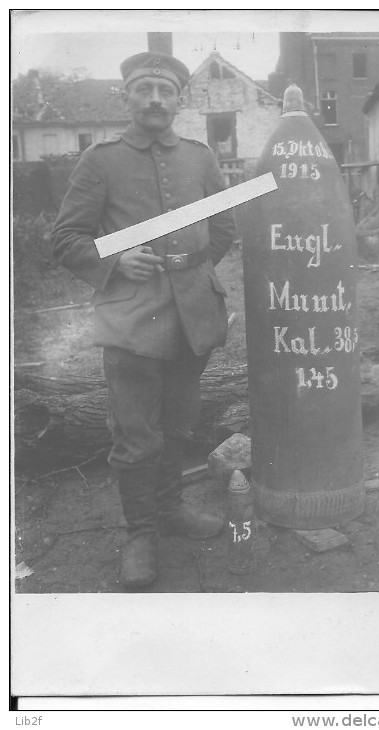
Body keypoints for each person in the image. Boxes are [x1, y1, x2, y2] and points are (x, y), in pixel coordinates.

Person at [51, 52, 237, 589]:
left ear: (180, 100)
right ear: (126, 97)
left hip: (194, 316)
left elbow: (222, 228)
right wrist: (116, 261)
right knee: (136, 436)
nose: (155, 98)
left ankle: (172, 510)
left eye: (165, 90)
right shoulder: (100, 161)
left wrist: (190, 275)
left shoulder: (200, 157)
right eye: (144, 89)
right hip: (131, 317)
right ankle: (140, 534)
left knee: (179, 422)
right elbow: (65, 239)